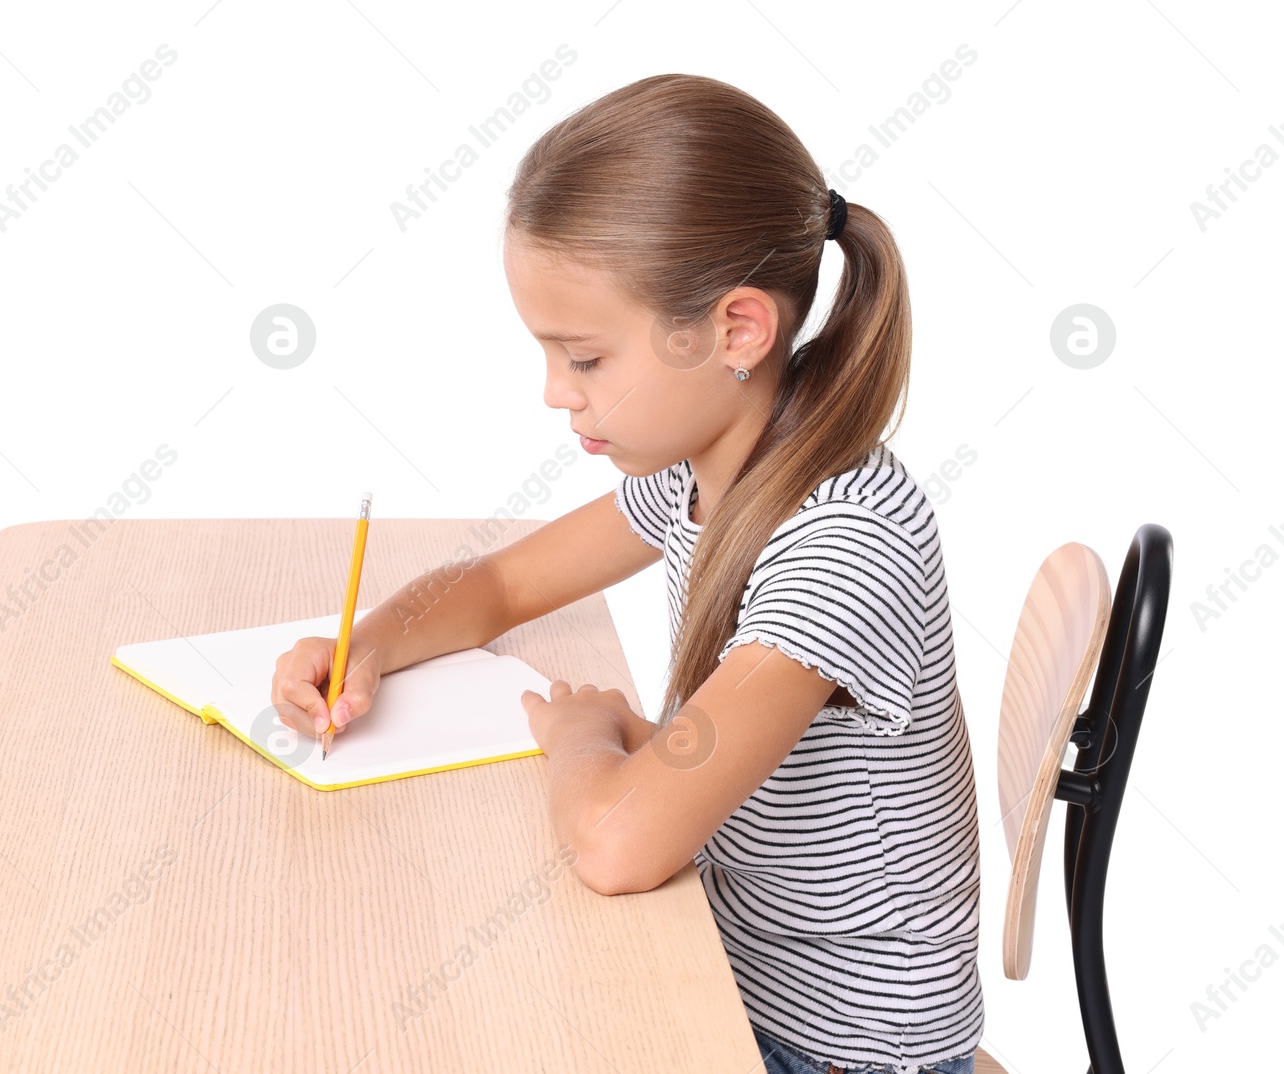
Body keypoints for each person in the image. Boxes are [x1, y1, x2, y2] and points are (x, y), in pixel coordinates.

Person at [271, 73, 982, 1074]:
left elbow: (617, 845)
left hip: (832, 1045)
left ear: (735, 331)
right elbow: (501, 588)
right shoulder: (720, 464)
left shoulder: (840, 548)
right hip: (742, 955)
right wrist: (365, 646)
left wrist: (583, 737)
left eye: (586, 358)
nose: (556, 393)